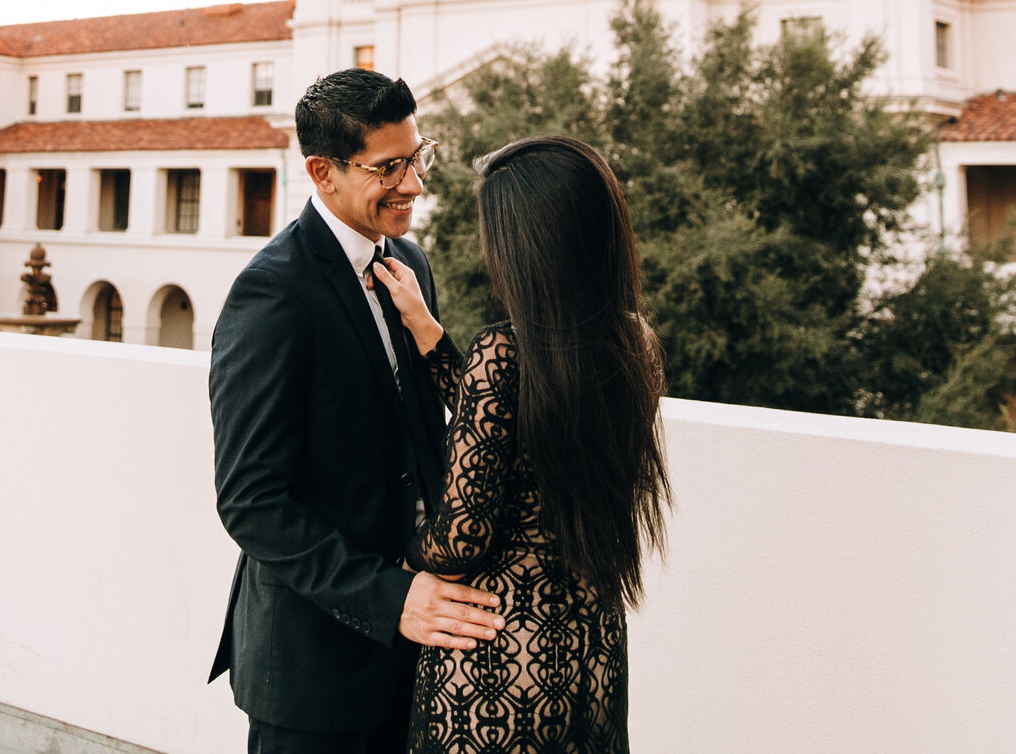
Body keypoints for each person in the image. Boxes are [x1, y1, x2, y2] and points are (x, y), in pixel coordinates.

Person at [209, 68, 507, 753]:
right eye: (389, 167)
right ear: (323, 171)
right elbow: (251, 500)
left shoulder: (410, 261)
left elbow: (424, 438)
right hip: (314, 672)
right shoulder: (270, 292)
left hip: (416, 662)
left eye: (418, 155)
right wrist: (391, 596)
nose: (415, 184)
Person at [370, 136, 671, 754]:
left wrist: (394, 568)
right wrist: (429, 335)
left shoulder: (502, 352)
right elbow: (526, 425)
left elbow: (463, 537)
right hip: (593, 656)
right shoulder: (633, 342)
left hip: (496, 664)